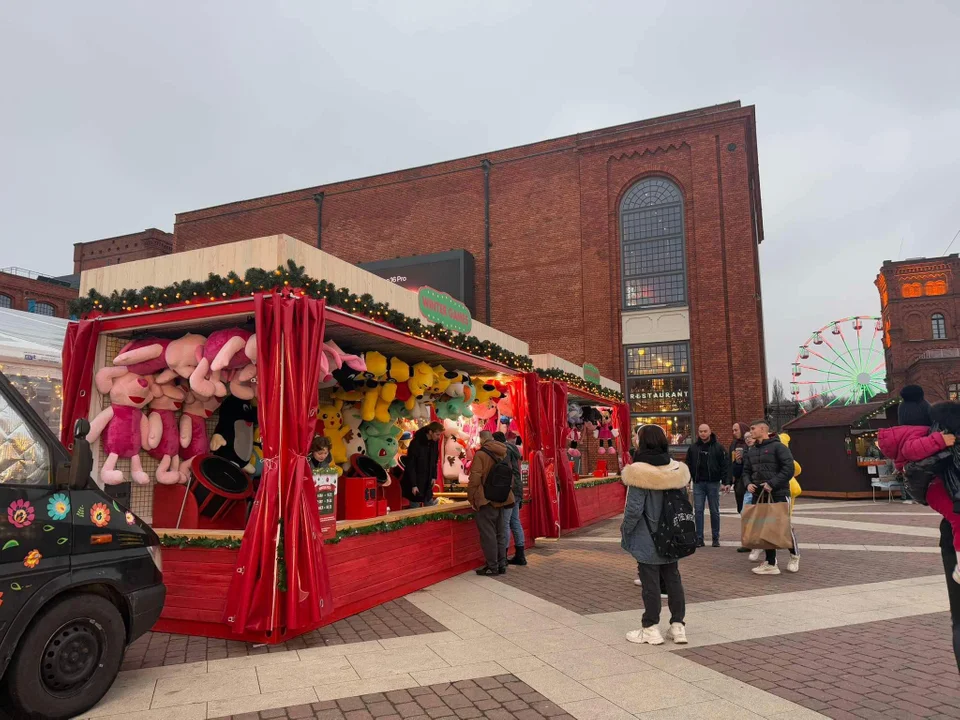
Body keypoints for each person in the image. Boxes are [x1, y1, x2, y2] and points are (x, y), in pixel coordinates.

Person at [621, 424, 690, 646]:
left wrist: (625, 530)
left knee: (649, 582)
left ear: (644, 441)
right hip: (673, 534)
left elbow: (633, 509)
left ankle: (650, 627)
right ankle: (678, 626)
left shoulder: (638, 470)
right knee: (673, 578)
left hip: (647, 535)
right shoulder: (677, 469)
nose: (634, 439)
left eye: (636, 436)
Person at [743, 419, 799, 574]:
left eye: (753, 428)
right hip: (759, 495)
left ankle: (794, 555)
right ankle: (771, 562)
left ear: (763, 429)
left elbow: (789, 468)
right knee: (764, 528)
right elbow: (746, 471)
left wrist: (772, 483)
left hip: (779, 493)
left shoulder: (778, 447)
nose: (751, 431)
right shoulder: (751, 450)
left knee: (783, 526)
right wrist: (748, 483)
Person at [468, 430, 515, 575]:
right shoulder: (504, 452)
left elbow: (475, 479)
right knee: (500, 533)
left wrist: (472, 498)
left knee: (488, 535)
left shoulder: (481, 455)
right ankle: (502, 564)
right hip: (502, 498)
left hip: (486, 499)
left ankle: (492, 566)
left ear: (482, 440)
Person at [685, 424, 729, 548]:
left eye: (705, 431)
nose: (703, 433)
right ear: (698, 433)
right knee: (698, 511)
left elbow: (725, 465)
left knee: (714, 511)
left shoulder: (718, 447)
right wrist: (687, 481)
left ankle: (716, 538)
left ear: (710, 432)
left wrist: (725, 482)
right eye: (700, 431)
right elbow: (688, 465)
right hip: (698, 483)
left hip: (713, 483)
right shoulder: (693, 448)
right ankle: (699, 538)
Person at [494, 431, 527, 566]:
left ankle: (504, 556)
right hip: (518, 488)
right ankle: (520, 555)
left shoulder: (503, 451)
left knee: (506, 523)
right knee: (515, 521)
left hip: (510, 489)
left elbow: (504, 471)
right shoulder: (514, 449)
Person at [401, 422, 444, 508]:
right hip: (416, 479)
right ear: (430, 432)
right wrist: (414, 484)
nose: (439, 437)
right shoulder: (416, 443)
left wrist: (434, 476)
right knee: (415, 508)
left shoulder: (434, 443)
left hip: (427, 480)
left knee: (429, 505)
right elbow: (411, 465)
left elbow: (434, 460)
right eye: (437, 434)